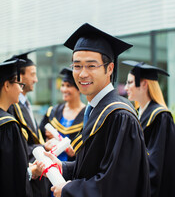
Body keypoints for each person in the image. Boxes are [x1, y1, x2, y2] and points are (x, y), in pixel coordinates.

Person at [38, 23, 150, 197]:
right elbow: (95, 165)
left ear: (109, 69)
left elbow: (118, 185)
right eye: (77, 66)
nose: (82, 74)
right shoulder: (96, 109)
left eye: (91, 66)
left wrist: (68, 190)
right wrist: (64, 167)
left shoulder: (119, 116)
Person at [123, 60, 175, 197]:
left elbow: (156, 164)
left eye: (130, 82)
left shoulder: (160, 117)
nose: (126, 87)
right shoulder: (138, 113)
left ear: (144, 84)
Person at [7, 51, 50, 197]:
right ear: (20, 76)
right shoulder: (11, 107)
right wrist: (43, 147)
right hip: (26, 176)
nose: (36, 79)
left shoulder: (25, 103)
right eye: (32, 74)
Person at [0, 59, 42, 197]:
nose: (20, 88)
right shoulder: (8, 125)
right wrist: (31, 172)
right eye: (18, 83)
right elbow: (11, 177)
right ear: (7, 85)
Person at [40, 67, 85, 162]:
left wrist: (76, 152)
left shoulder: (87, 115)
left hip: (73, 167)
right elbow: (39, 138)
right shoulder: (53, 111)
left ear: (79, 88)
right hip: (50, 165)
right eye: (63, 85)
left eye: (68, 86)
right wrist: (47, 137)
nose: (64, 89)